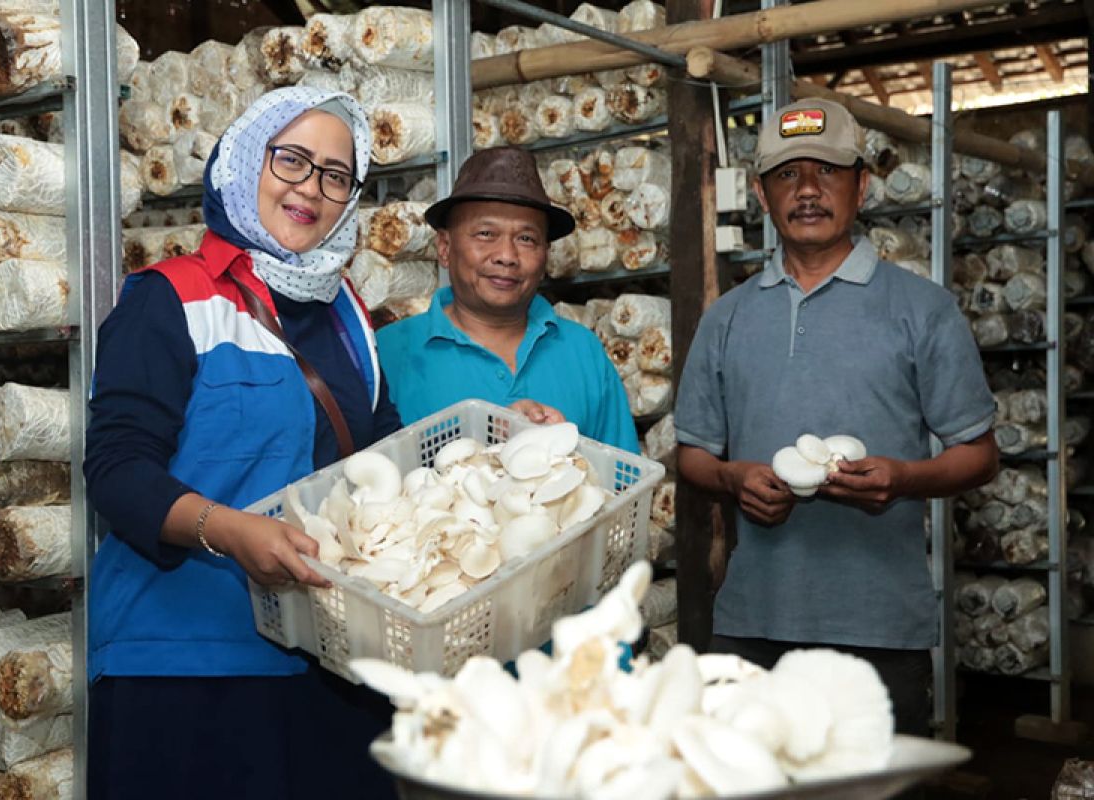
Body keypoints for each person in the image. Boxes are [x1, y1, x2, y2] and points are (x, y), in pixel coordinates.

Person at [83, 87, 401, 799]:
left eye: (335, 174)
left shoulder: (349, 316)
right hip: (191, 668)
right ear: (246, 161)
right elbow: (116, 470)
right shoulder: (169, 300)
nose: (310, 189)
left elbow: (387, 458)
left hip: (330, 663)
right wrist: (227, 531)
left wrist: (501, 459)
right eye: (291, 160)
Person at [674, 98, 999, 736]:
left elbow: (980, 454)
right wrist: (733, 479)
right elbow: (691, 456)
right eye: (787, 175)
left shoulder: (922, 310)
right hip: (751, 626)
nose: (808, 190)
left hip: (879, 628)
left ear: (862, 185)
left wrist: (901, 479)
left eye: (827, 171)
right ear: (763, 196)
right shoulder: (729, 319)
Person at [377, 146, 639, 453]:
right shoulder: (389, 353)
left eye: (526, 239)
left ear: (546, 255)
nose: (506, 256)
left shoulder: (583, 351)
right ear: (445, 248)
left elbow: (623, 480)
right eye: (486, 233)